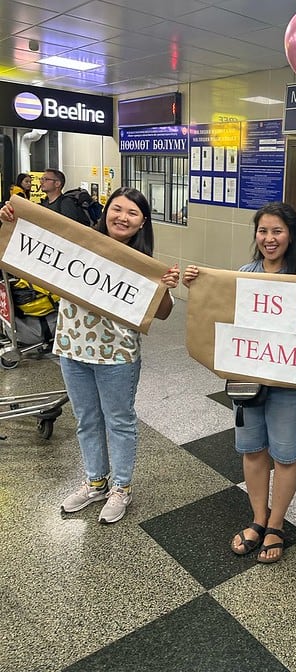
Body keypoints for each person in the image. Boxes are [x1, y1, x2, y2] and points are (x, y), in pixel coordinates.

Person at [184, 201, 296, 563]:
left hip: (289, 389)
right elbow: (224, 316)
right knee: (252, 451)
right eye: (263, 231)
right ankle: (258, 518)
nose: (269, 238)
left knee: (284, 454)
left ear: (291, 235)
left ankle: (276, 525)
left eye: (277, 231)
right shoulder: (242, 275)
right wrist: (198, 287)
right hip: (248, 384)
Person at [3, 187, 179, 524]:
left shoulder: (142, 264)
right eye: (117, 208)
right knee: (86, 419)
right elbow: (32, 245)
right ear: (106, 211)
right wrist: (12, 223)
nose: (122, 217)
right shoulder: (78, 243)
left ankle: (122, 488)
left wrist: (164, 287)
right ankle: (95, 482)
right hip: (72, 348)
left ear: (142, 223)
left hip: (118, 355)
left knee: (119, 421)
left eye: (132, 213)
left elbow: (164, 313)